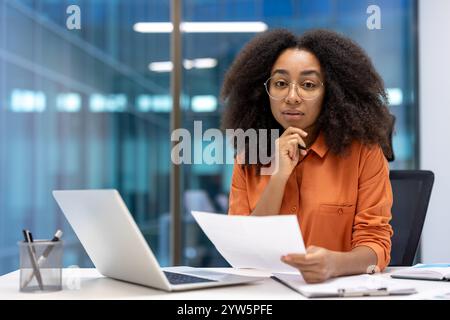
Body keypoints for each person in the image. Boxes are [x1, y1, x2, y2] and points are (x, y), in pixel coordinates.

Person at [221, 29, 395, 283]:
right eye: (280, 84)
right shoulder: (250, 157)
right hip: (265, 295)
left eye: (309, 85)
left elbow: (376, 246)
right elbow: (244, 251)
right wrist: (278, 176)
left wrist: (333, 264)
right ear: (263, 92)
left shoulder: (364, 153)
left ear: (332, 93)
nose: (292, 97)